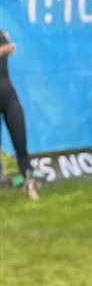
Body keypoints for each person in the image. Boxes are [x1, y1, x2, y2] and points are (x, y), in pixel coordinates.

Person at [0, 26, 39, 199]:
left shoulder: (1, 34)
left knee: (20, 143)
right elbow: (7, 49)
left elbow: (11, 48)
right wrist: (3, 50)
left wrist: (6, 45)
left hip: (9, 98)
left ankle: (29, 183)